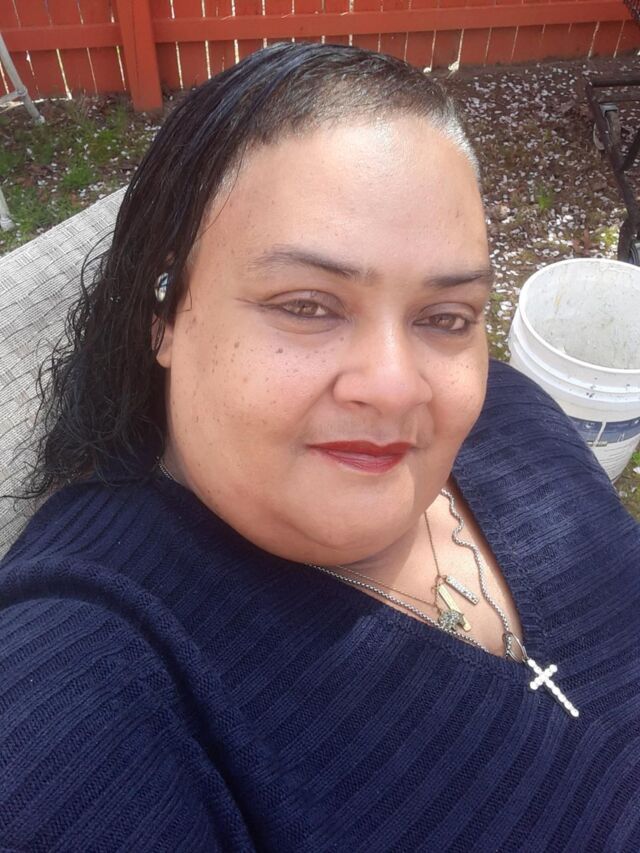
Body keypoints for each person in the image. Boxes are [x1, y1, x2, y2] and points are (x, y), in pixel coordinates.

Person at [1, 42, 639, 852]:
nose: (397, 386)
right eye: (307, 305)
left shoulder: (509, 410)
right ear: (164, 313)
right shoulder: (91, 675)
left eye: (446, 317)